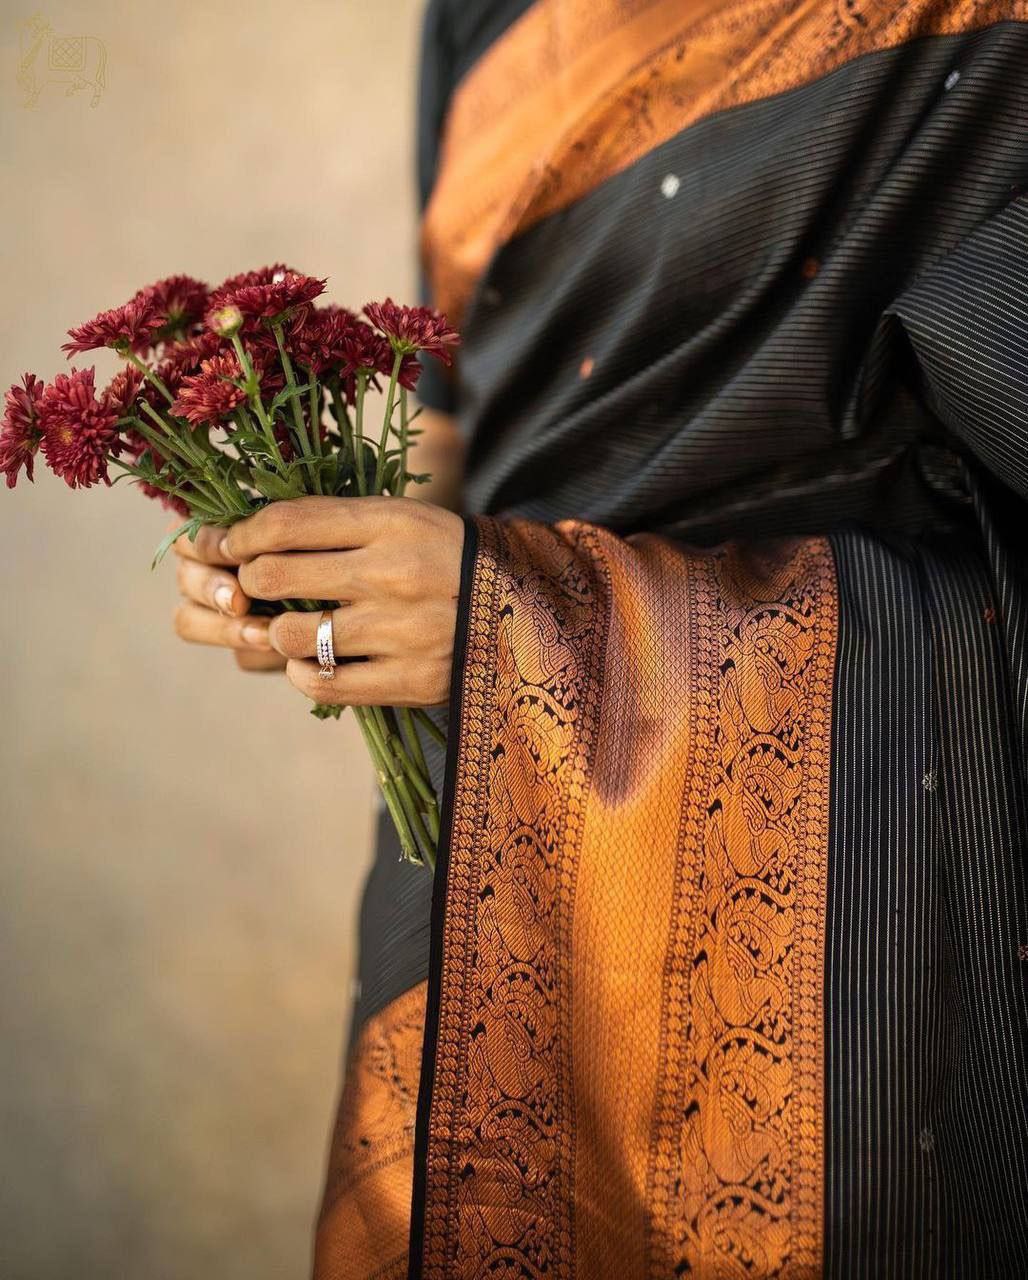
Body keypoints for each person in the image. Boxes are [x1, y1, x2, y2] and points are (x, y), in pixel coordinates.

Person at [171, 1, 1028, 1276]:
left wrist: (528, 616)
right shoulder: (477, 17)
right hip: (472, 795)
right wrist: (306, 565)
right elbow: (457, 416)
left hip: (860, 853)